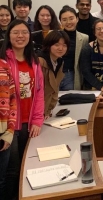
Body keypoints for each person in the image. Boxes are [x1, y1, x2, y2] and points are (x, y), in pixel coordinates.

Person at [0, 19, 44, 199]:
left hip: (29, 121)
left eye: (24, 32)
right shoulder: (3, 61)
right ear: (8, 36)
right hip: (9, 125)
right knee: (11, 169)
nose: (20, 36)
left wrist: (37, 120)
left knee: (28, 166)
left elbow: (39, 92)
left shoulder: (34, 61)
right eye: (16, 32)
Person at [38, 30, 70, 119]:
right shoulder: (39, 62)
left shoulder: (59, 61)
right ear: (49, 45)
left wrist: (48, 111)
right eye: (56, 45)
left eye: (64, 45)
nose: (61, 48)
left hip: (47, 111)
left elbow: (54, 89)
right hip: (36, 112)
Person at [58, 5, 89, 90]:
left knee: (70, 101)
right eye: (64, 20)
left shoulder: (84, 38)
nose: (68, 22)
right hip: (55, 75)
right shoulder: (54, 36)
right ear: (60, 22)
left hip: (72, 76)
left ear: (77, 19)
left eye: (71, 18)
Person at [0, 59, 16, 197]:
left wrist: (10, 131)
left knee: (1, 179)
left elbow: (13, 100)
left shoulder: (4, 66)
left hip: (3, 134)